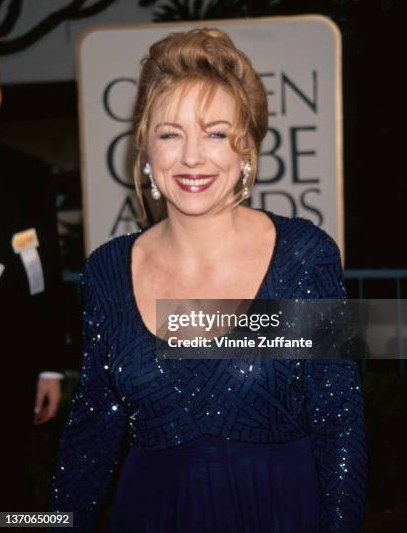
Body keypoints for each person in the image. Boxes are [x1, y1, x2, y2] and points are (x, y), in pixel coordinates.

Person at [51, 28, 367, 532]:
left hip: (280, 514)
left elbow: (339, 419)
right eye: (170, 133)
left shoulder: (303, 256)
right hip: (150, 515)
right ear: (146, 151)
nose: (192, 157)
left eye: (216, 133)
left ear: (245, 152)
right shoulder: (107, 270)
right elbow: (94, 431)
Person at [0, 72, 64, 510]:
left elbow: (49, 276)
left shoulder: (29, 174)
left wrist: (50, 368)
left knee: (11, 488)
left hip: (12, 361)